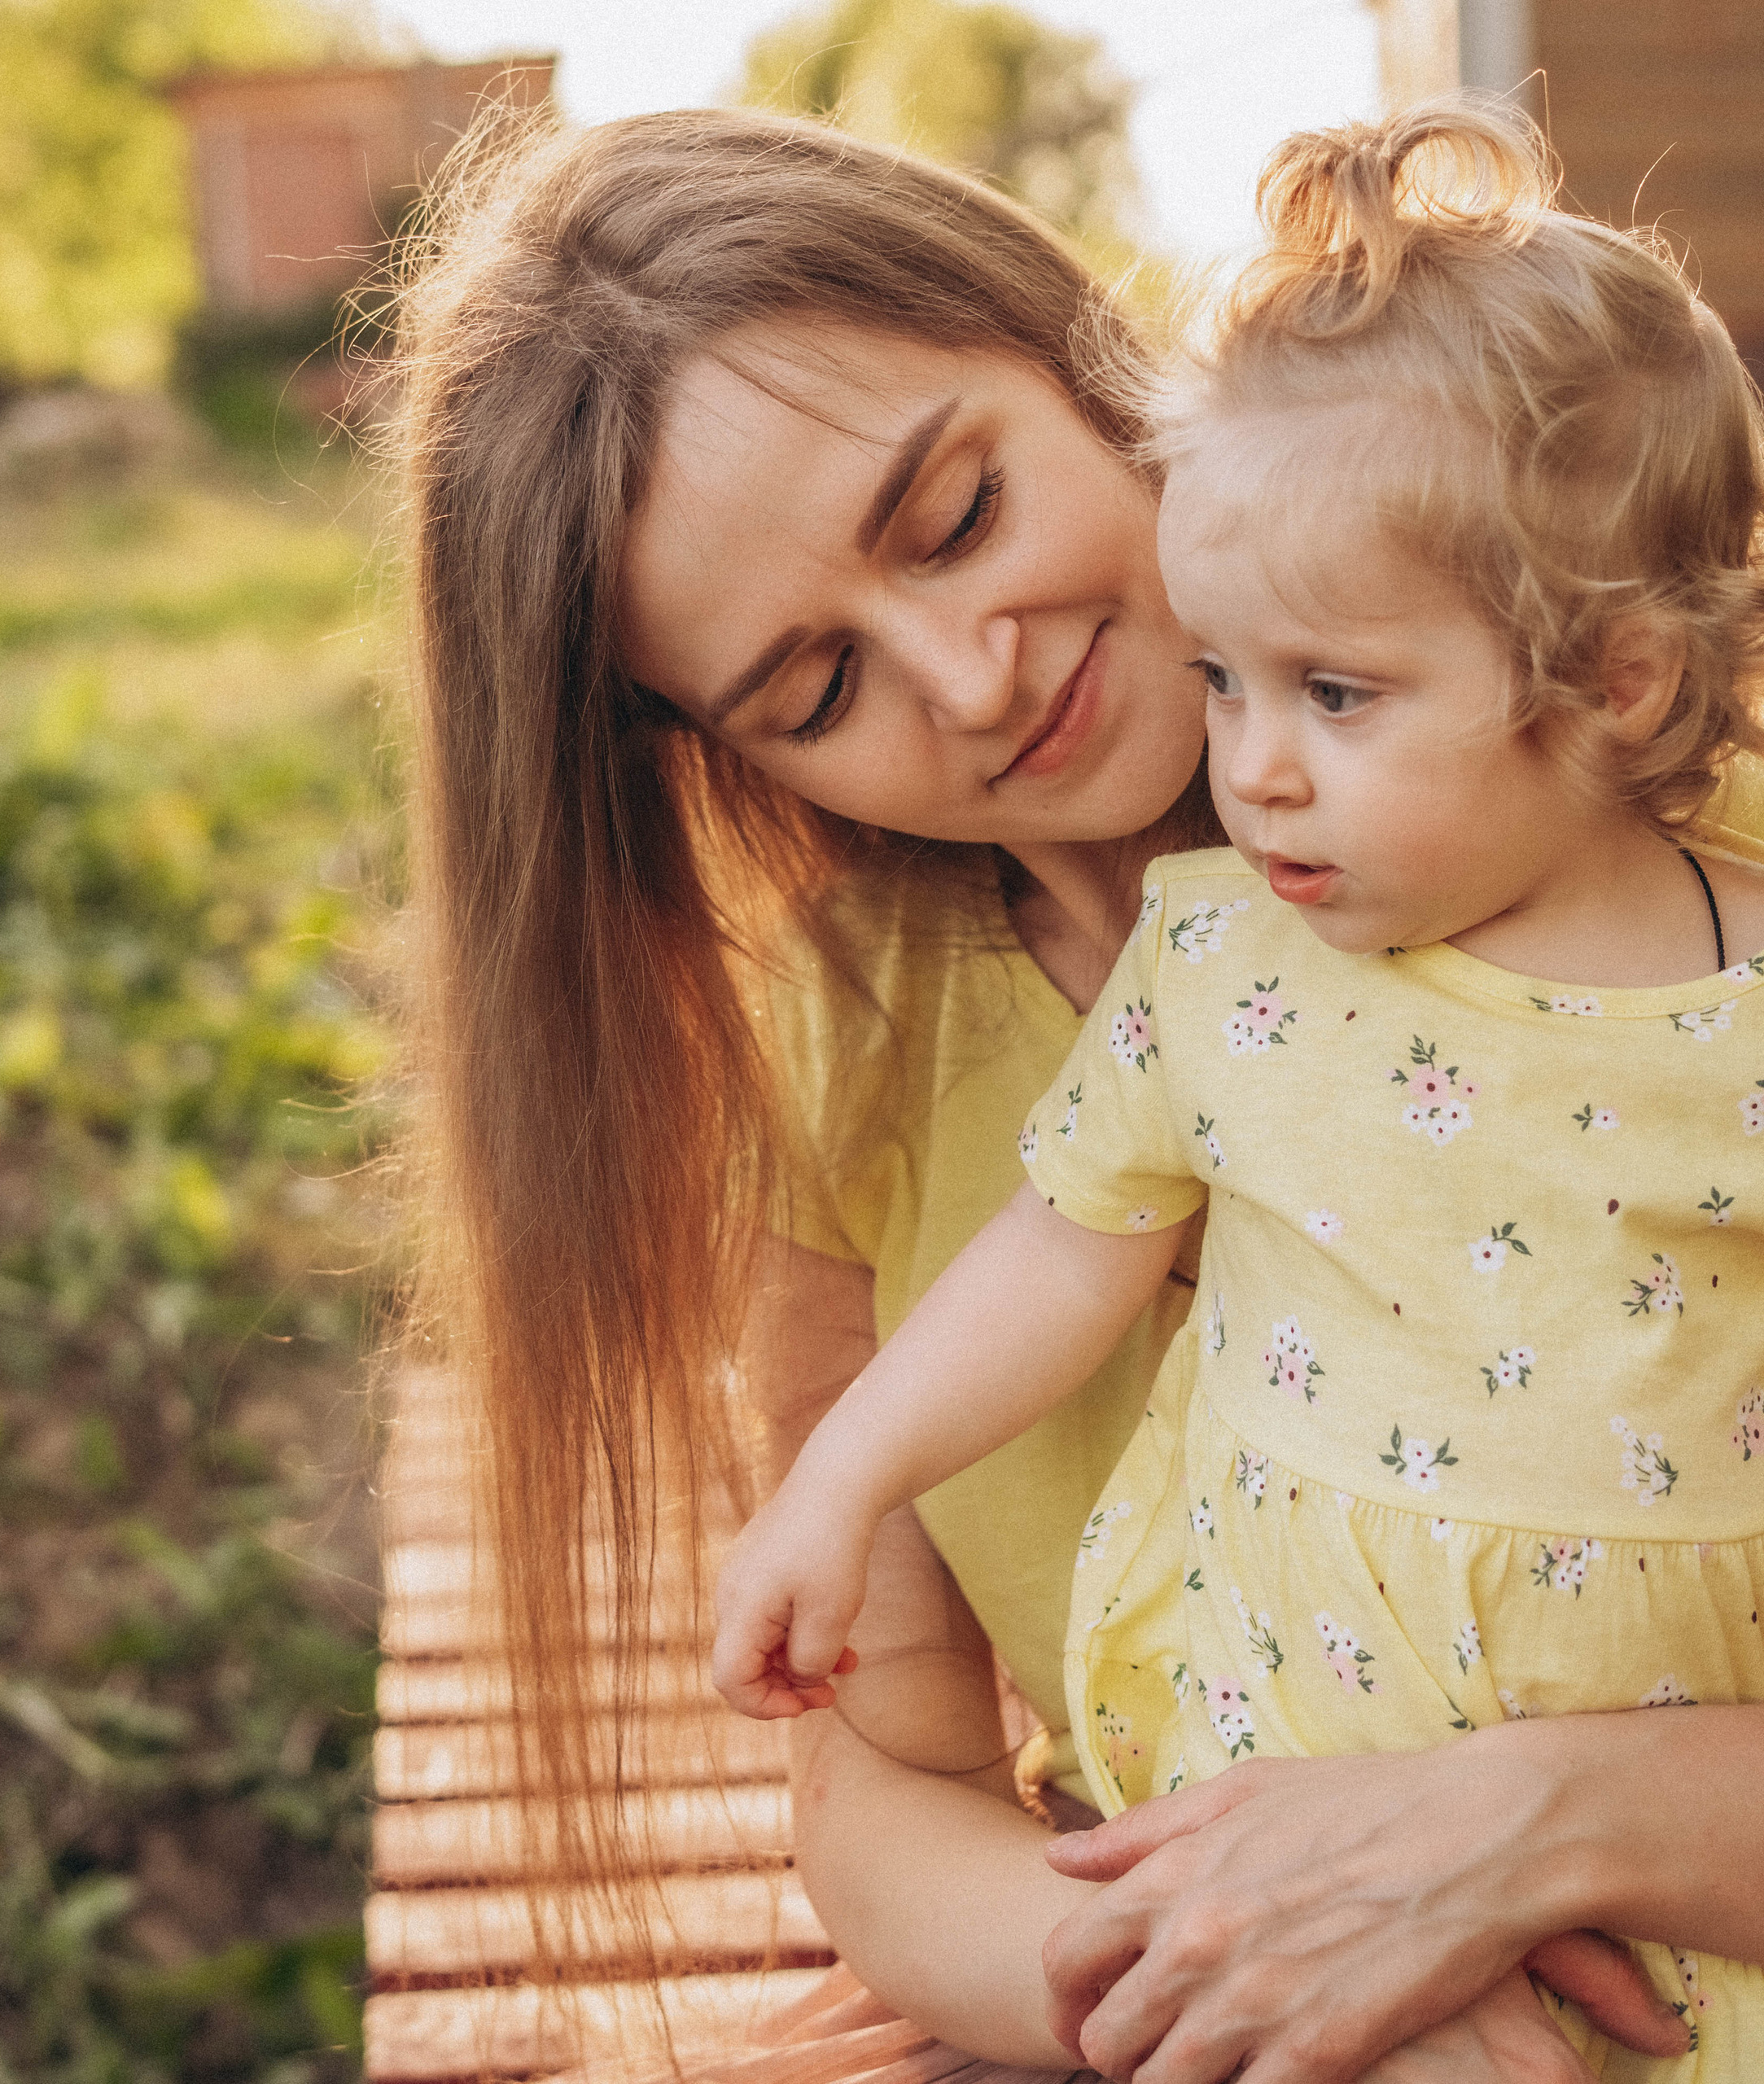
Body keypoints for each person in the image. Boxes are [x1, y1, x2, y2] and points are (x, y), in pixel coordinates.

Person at [391, 100, 1764, 2082]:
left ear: (1085, 361)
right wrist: (1231, 1961)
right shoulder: (857, 1043)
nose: (968, 678)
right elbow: (882, 1786)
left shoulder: (1685, 861)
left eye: (957, 514)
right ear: (719, 757)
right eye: (813, 689)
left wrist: (1528, 1829)